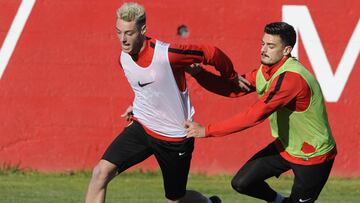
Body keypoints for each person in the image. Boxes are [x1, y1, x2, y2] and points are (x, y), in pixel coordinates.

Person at [85, 2, 249, 203]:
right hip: (143, 127)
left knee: (176, 199)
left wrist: (231, 76)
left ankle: (208, 202)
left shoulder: (167, 54)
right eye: (118, 32)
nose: (122, 39)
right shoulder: (123, 58)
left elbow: (211, 52)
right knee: (100, 173)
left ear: (143, 30)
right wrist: (135, 106)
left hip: (174, 138)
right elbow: (145, 87)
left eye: (128, 33)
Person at [185, 22, 337, 203]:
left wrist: (206, 130)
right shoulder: (265, 71)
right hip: (285, 147)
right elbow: (233, 89)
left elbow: (254, 115)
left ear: (287, 50)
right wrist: (199, 74)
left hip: (313, 156)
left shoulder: (291, 79)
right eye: (262, 43)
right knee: (242, 183)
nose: (263, 50)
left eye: (271, 46)